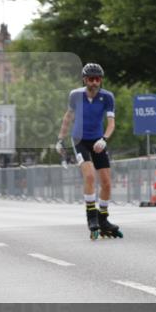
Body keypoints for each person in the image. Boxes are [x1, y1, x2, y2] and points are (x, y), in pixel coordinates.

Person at [57, 63, 122, 239]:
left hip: (98, 140)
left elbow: (111, 123)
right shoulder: (75, 95)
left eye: (98, 79)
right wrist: (60, 139)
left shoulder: (107, 97)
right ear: (84, 80)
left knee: (107, 182)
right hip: (79, 140)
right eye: (91, 79)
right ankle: (91, 217)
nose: (95, 82)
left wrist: (104, 139)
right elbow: (68, 117)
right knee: (90, 176)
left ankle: (103, 218)